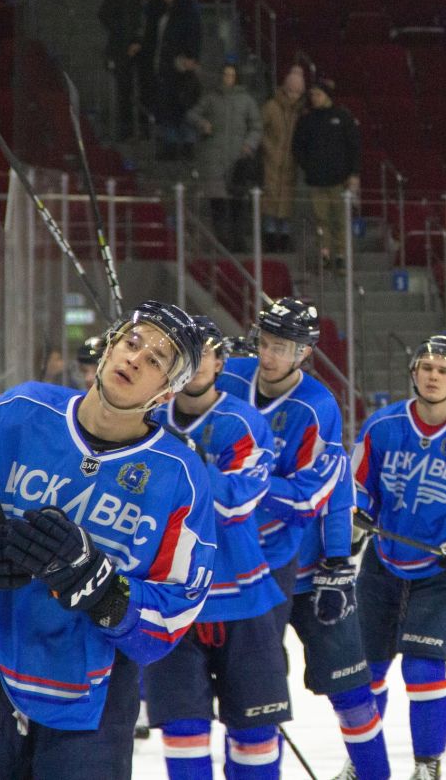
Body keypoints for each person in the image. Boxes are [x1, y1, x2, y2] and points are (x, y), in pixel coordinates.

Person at [0, 301, 215, 778]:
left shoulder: (180, 477)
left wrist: (103, 589)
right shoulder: (18, 413)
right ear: (108, 347)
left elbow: (177, 608)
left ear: (165, 392)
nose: (135, 359)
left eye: (156, 360)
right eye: (132, 342)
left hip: (98, 687)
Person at [216, 298, 389, 780]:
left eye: (283, 346)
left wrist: (336, 560)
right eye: (265, 342)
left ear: (305, 352)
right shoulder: (228, 378)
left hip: (310, 570)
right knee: (250, 707)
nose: (269, 354)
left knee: (352, 693)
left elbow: (330, 489)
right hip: (248, 574)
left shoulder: (316, 406)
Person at [143, 315, 292, 779]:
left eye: (204, 352)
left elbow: (237, 504)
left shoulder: (244, 422)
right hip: (169, 600)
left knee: (254, 736)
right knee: (183, 731)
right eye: (184, 353)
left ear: (220, 361)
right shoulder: (146, 420)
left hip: (242, 600)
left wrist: (186, 463)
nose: (195, 362)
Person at [351, 335, 446, 780]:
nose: (434, 375)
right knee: (368, 671)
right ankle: (365, 760)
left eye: (443, 370)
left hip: (444, 568)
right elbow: (359, 484)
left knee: (423, 669)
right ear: (414, 372)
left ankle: (427, 765)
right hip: (383, 562)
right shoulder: (381, 425)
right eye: (427, 367)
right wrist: (359, 511)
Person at [187, 61, 263, 250]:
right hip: (214, 159)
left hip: (238, 160)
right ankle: (221, 241)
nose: (227, 78)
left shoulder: (246, 100)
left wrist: (249, 145)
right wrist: (203, 124)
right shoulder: (211, 98)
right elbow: (192, 115)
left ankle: (238, 240)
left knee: (238, 203)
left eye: (231, 75)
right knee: (218, 204)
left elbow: (256, 126)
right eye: (225, 74)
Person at [292, 77, 361, 269]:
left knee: (339, 219)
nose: (314, 98)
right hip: (317, 180)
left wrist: (353, 172)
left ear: (327, 96)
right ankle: (325, 253)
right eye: (312, 94)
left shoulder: (342, 116)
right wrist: (309, 166)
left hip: (339, 180)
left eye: (318, 94)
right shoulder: (307, 119)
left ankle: (340, 254)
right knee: (321, 220)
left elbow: (354, 146)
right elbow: (298, 148)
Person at [97, 0, 159, 141]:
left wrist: (137, 41)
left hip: (138, 50)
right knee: (124, 90)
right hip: (120, 49)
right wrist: (124, 35)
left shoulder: (145, 3)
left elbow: (143, 25)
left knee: (145, 88)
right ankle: (126, 130)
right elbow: (103, 15)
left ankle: (144, 127)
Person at [151, 0, 203, 160]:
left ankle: (184, 142)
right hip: (168, 68)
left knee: (182, 104)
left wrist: (189, 57)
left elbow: (193, 36)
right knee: (171, 106)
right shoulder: (169, 10)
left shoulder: (186, 11)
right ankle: (172, 142)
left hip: (179, 68)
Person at [259, 65, 306, 252]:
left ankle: (284, 237)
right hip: (270, 162)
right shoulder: (271, 107)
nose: (294, 95)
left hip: (290, 165)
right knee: (270, 199)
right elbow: (259, 129)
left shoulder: (300, 113)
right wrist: (269, 148)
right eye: (291, 91)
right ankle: (269, 236)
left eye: (297, 92)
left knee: (286, 202)